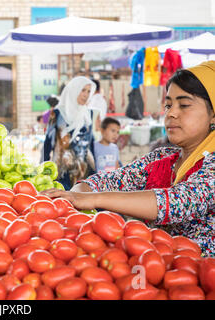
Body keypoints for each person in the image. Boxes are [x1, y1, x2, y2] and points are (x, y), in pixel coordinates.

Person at [40, 61, 215, 257]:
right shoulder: (161, 158)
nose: (171, 113)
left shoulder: (212, 167)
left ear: (213, 115)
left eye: (184, 105)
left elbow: (174, 202)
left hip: (202, 280)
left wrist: (89, 199)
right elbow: (105, 181)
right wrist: (76, 196)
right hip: (154, 273)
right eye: (168, 105)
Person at [42, 76, 97, 190]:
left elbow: (90, 143)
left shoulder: (88, 114)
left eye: (88, 91)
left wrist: (96, 171)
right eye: (83, 90)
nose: (86, 95)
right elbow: (48, 143)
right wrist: (44, 169)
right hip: (62, 172)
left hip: (84, 173)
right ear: (74, 90)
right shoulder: (57, 113)